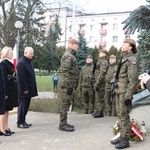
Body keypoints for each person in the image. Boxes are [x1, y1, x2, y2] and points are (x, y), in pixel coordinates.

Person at [110, 39, 138, 149]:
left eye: (125, 44)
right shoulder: (123, 59)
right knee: (120, 115)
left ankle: (125, 140)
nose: (122, 46)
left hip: (124, 92)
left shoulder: (131, 60)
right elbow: (117, 75)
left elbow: (133, 79)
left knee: (124, 116)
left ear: (130, 47)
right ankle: (121, 135)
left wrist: (128, 95)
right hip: (119, 90)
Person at [58, 38, 79, 132]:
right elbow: (65, 70)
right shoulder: (68, 56)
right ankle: (62, 124)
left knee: (66, 104)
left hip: (69, 84)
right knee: (65, 104)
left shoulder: (71, 55)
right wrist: (69, 85)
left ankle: (64, 123)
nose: (77, 46)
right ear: (71, 45)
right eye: (76, 45)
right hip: (67, 84)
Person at [17, 47, 38, 129]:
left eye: (33, 53)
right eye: (30, 53)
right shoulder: (21, 63)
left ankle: (23, 120)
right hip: (24, 90)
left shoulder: (29, 62)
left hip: (29, 89)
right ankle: (20, 122)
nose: (32, 55)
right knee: (22, 106)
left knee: (26, 106)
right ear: (25, 53)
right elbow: (21, 78)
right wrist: (25, 89)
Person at [0, 46, 18, 136]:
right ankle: (2, 129)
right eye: (11, 53)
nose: (12, 54)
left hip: (11, 90)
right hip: (6, 89)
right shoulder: (3, 64)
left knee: (7, 110)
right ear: (6, 53)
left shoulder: (9, 63)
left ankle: (6, 127)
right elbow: (3, 79)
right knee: (3, 110)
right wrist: (5, 92)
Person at [92, 49, 109, 118]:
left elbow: (102, 73)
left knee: (100, 97)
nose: (99, 54)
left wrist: (98, 83)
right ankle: (98, 110)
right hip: (97, 81)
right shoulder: (100, 61)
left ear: (104, 54)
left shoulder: (104, 62)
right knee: (98, 96)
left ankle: (100, 111)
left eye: (100, 53)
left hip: (101, 82)